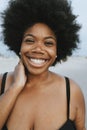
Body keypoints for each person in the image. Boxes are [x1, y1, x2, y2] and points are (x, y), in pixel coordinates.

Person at [0, 0, 86, 129]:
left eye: (48, 43)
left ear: (58, 50)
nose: (38, 49)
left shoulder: (72, 92)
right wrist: (15, 87)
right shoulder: (2, 83)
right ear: (19, 44)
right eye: (30, 40)